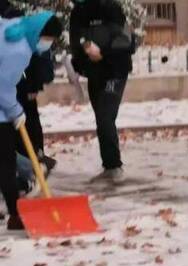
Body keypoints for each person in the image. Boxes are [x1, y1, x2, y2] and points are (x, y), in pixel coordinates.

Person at [0, 11, 62, 230]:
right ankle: (16, 216)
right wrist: (16, 112)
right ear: (40, 35)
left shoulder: (13, 27)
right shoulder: (20, 51)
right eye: (49, 40)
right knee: (5, 162)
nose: (49, 44)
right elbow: (3, 87)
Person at [70, 0, 134, 183]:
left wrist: (103, 52)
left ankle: (114, 166)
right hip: (94, 73)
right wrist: (85, 46)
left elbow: (125, 39)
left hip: (115, 71)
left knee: (106, 117)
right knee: (101, 119)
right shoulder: (78, 11)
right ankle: (109, 165)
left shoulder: (111, 7)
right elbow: (76, 38)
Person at [1, 0, 57, 179]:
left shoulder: (13, 19)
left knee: (25, 127)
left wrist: (34, 83)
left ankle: (33, 166)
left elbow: (35, 57)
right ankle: (30, 168)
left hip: (20, 87)